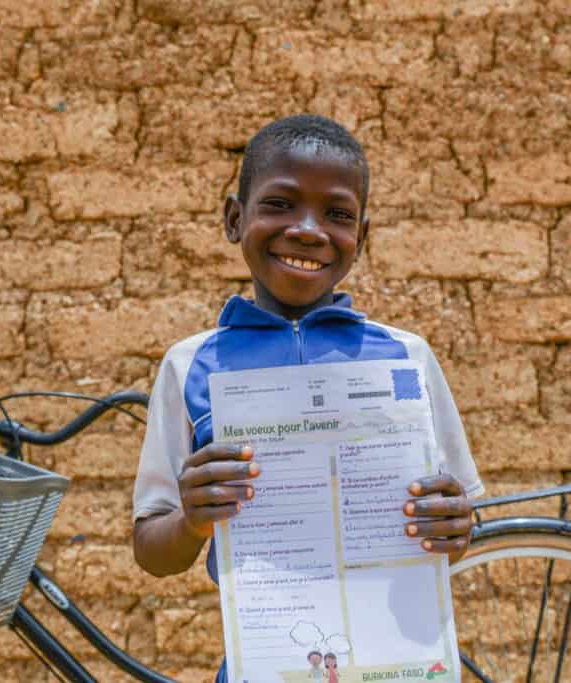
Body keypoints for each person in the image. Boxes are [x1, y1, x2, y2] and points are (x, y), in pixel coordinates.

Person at [131, 114, 483, 682]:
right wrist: (193, 520)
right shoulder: (190, 366)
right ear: (233, 218)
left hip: (394, 665)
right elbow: (152, 549)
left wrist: (455, 526)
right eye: (280, 205)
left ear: (361, 239)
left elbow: (459, 527)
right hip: (265, 664)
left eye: (337, 215)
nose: (308, 230)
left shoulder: (406, 359)